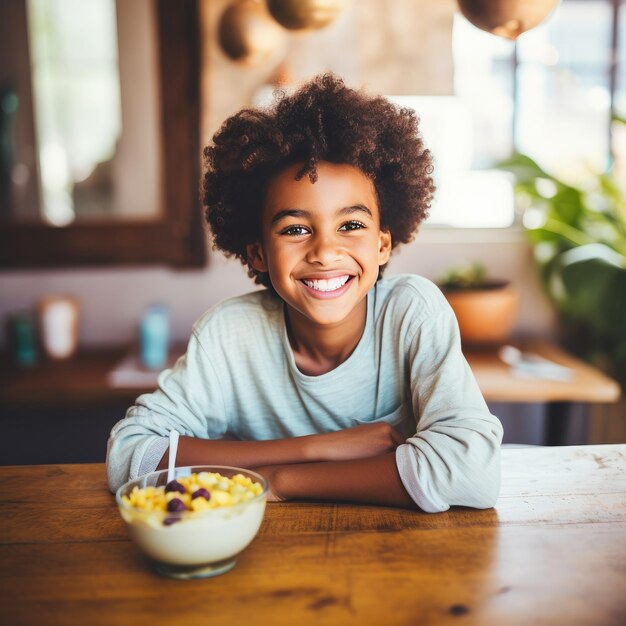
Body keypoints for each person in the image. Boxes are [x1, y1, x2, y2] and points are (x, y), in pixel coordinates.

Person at [106, 73, 503, 512]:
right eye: (295, 229)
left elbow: (474, 472)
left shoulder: (412, 313)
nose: (325, 251)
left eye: (350, 225)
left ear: (383, 243)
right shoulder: (229, 335)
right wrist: (319, 447)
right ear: (257, 252)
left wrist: (285, 480)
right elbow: (131, 454)